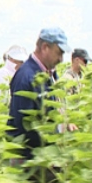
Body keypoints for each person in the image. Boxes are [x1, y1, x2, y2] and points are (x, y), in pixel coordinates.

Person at [7, 27, 77, 165]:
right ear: (45, 47)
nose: (61, 59)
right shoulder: (26, 76)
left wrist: (65, 122)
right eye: (59, 53)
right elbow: (24, 126)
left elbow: (53, 107)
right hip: (29, 159)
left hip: (46, 154)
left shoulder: (48, 72)